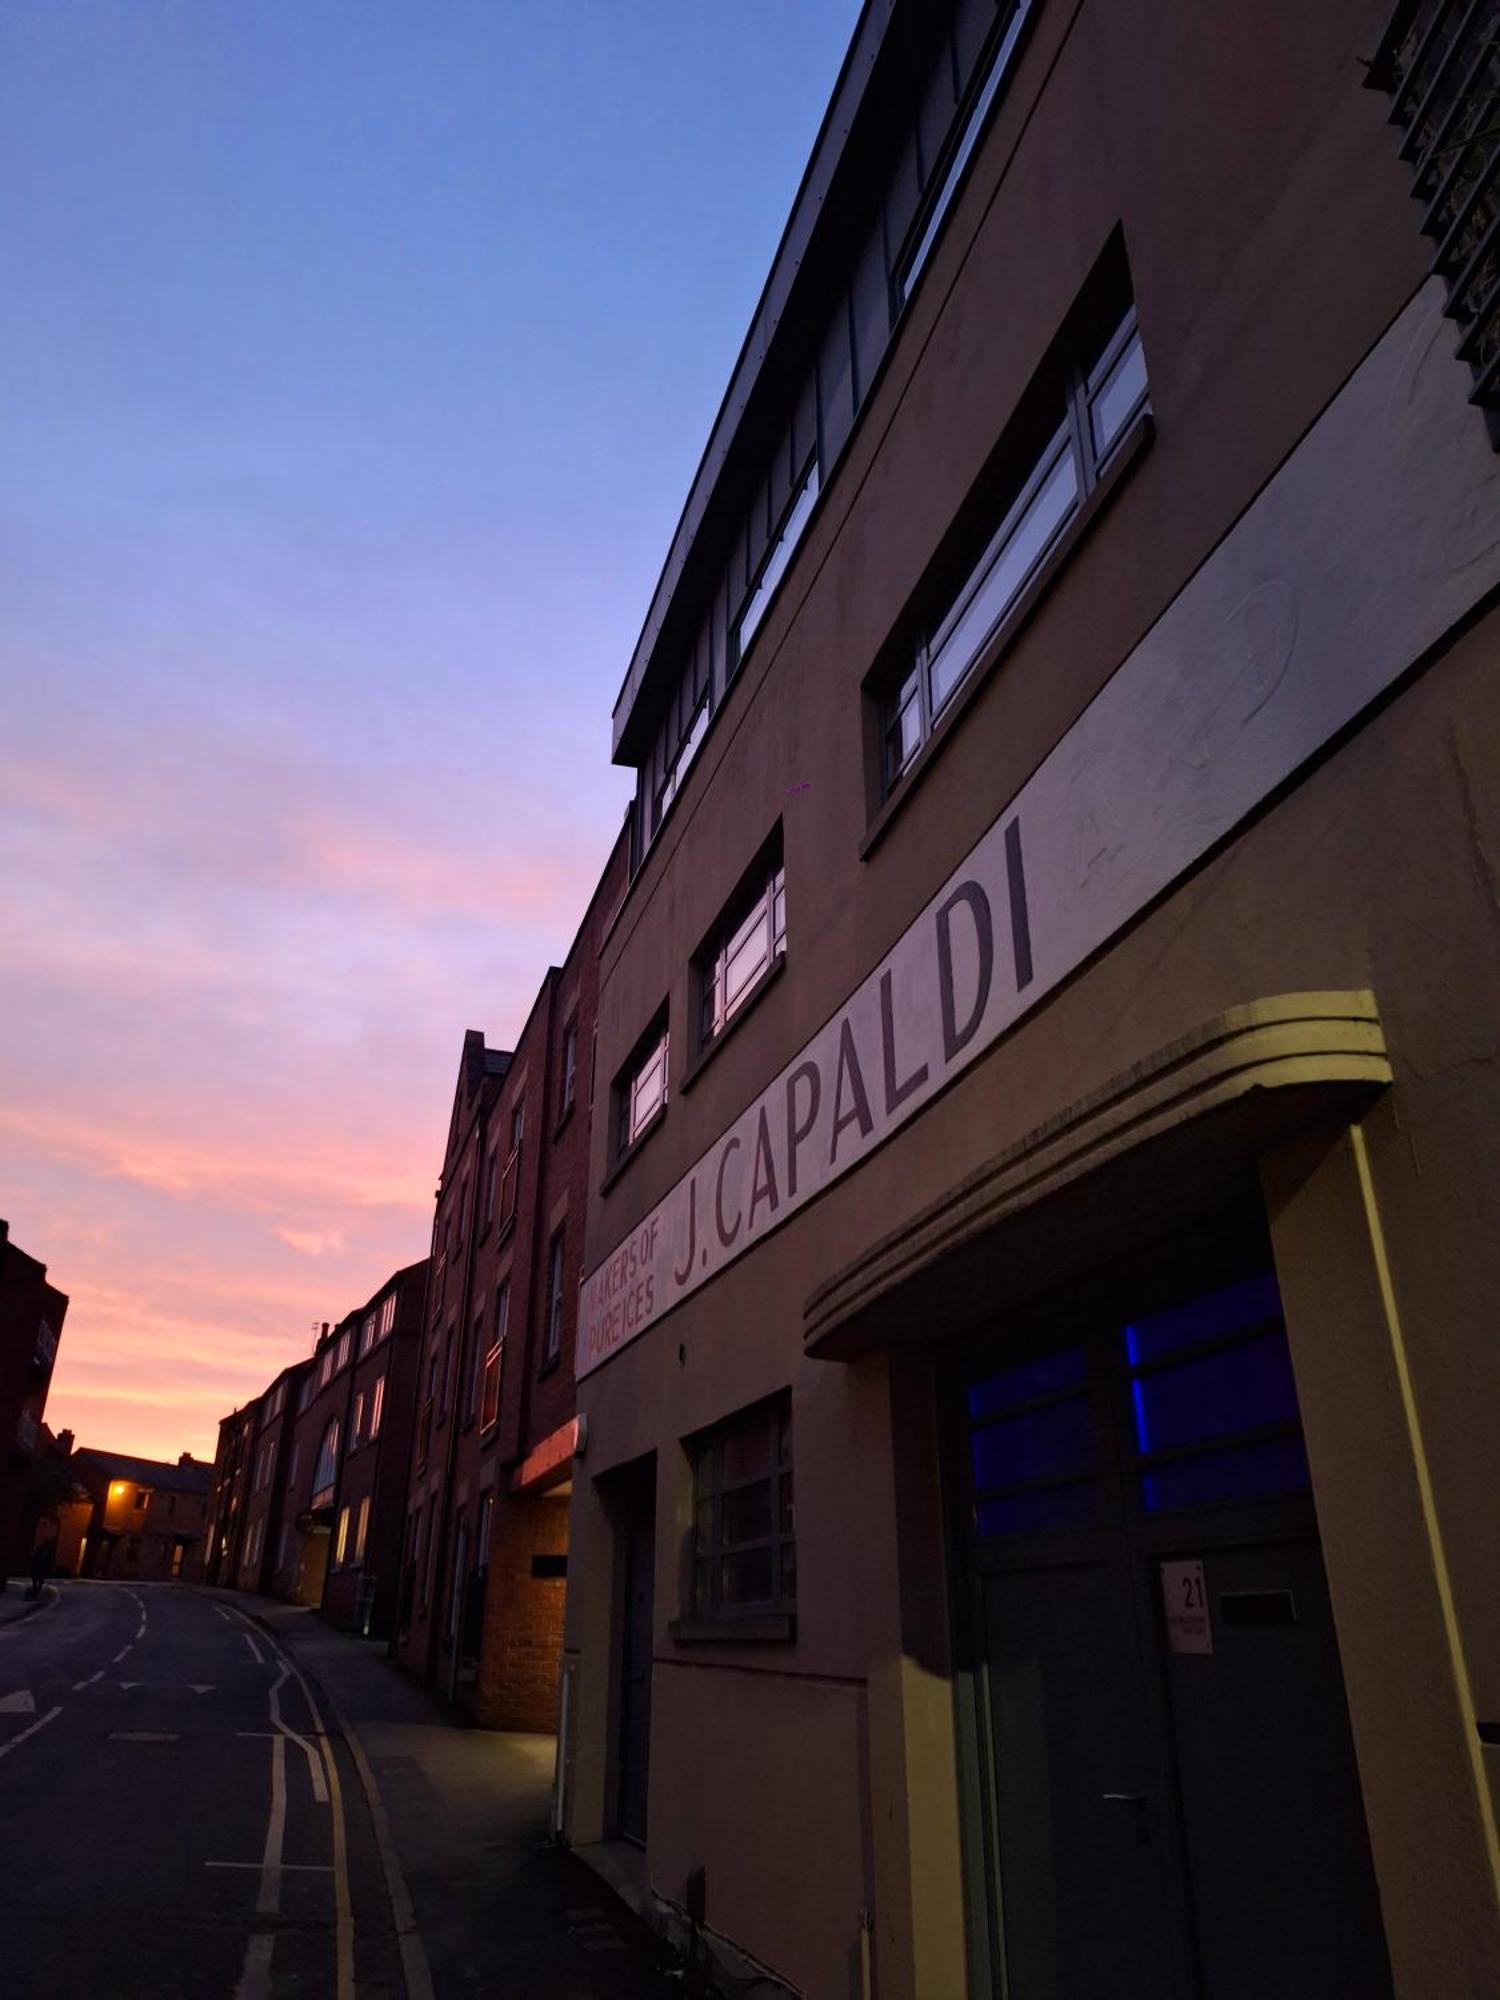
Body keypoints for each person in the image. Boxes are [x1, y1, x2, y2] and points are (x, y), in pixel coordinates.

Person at [26, 1519, 57, 1601]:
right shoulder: (42, 1548)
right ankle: (36, 1589)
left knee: (38, 1577)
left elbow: (49, 1558)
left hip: (41, 1566)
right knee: (37, 1577)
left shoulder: (45, 1548)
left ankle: (36, 1589)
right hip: (40, 1565)